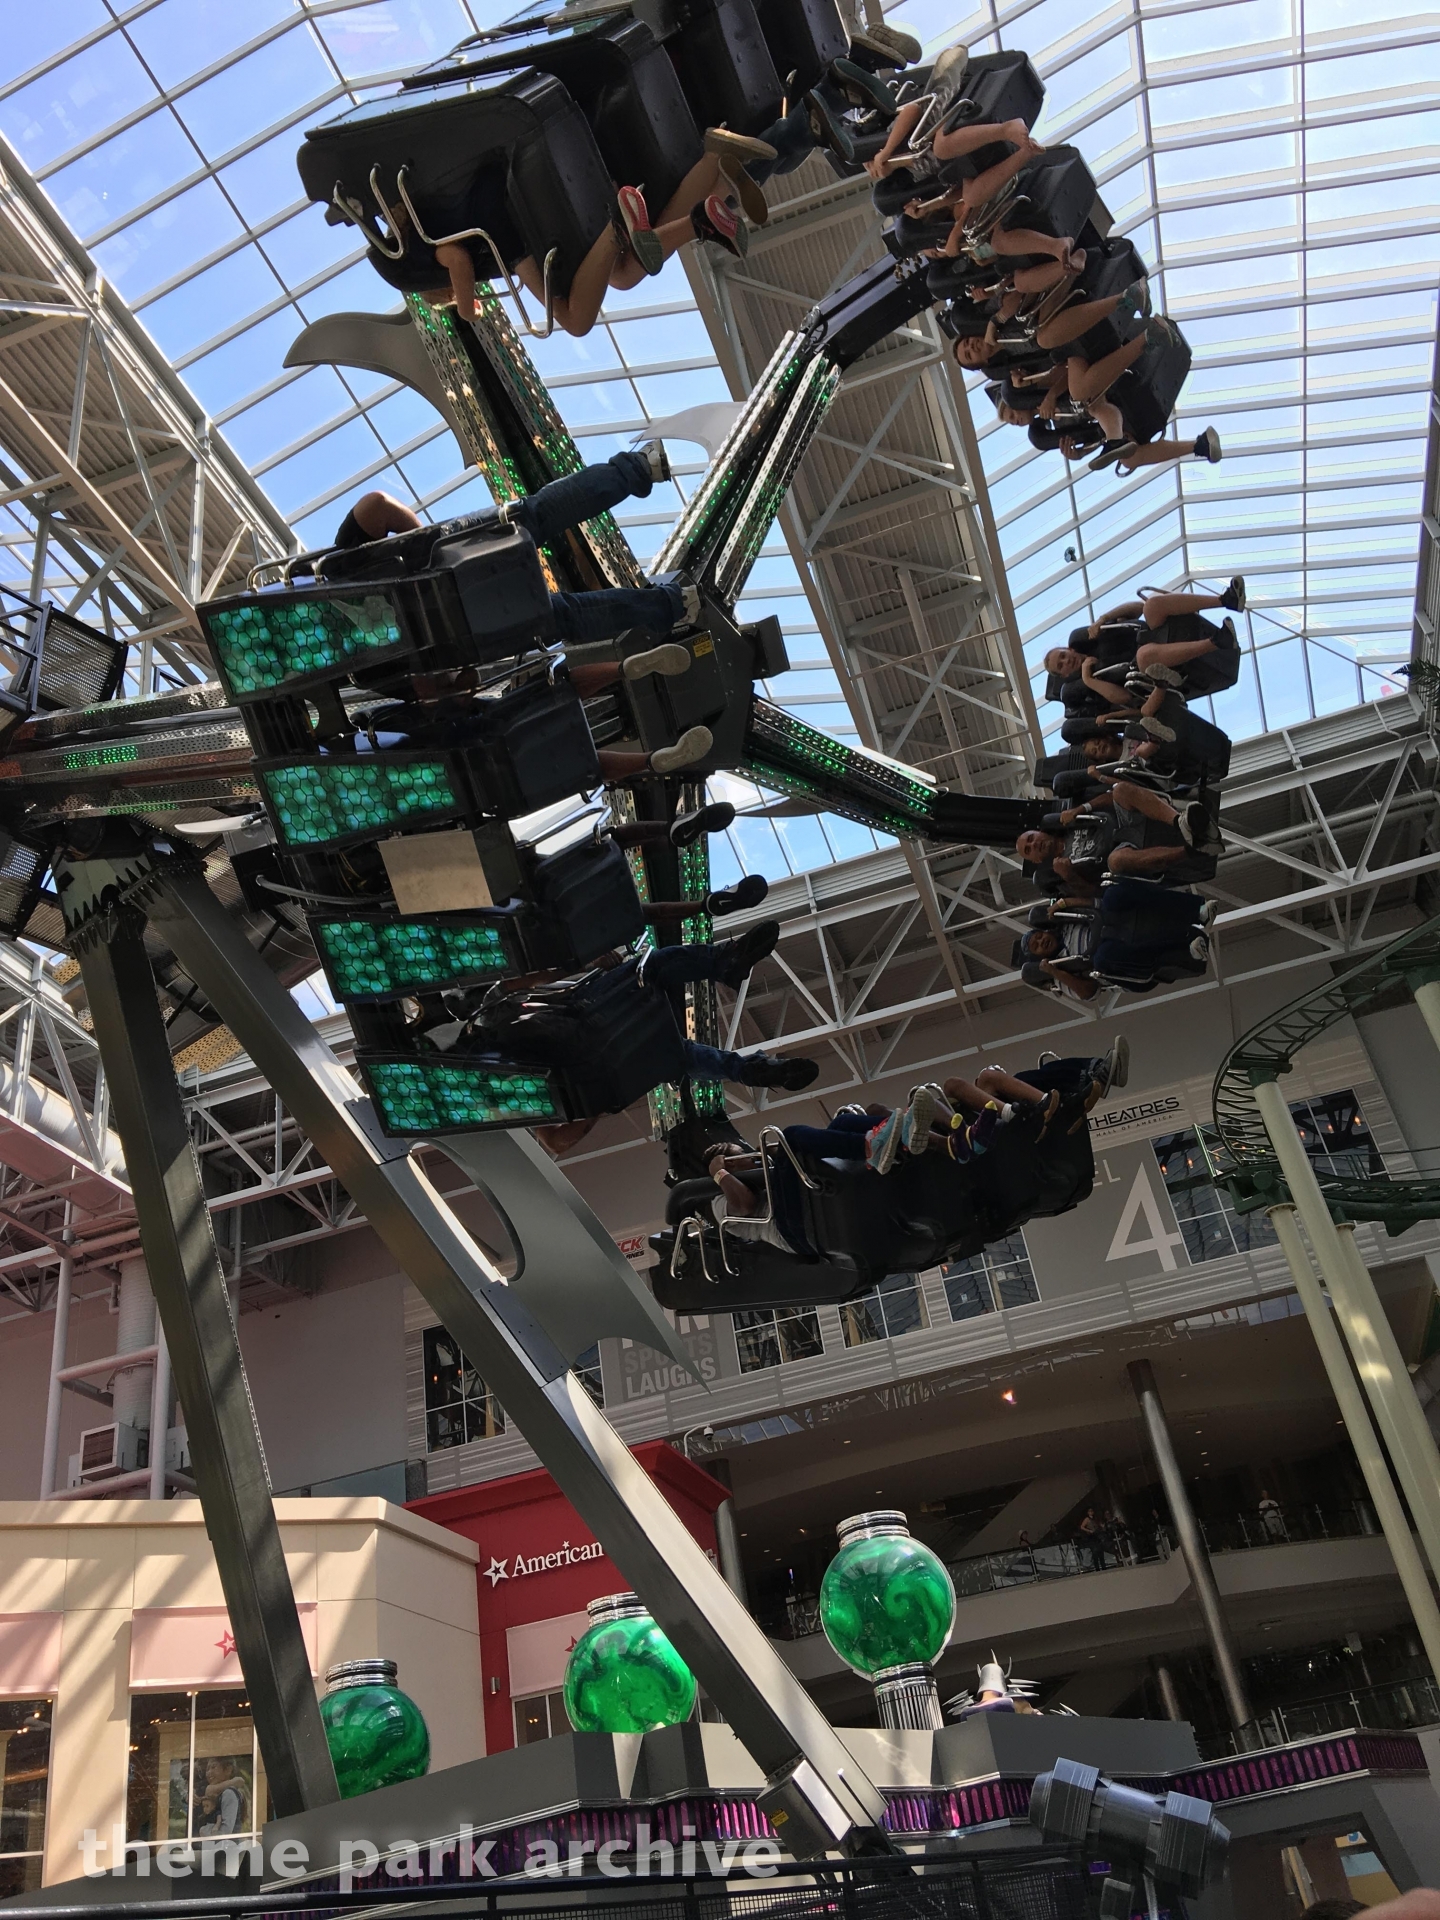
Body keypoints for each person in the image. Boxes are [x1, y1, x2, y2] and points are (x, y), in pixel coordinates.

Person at [1016, 779, 1221, 895]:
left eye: (1031, 838)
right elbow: (1095, 893)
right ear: (1036, 860)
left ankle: (1180, 822)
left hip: (1124, 822)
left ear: (1040, 831)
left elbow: (1110, 797)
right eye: (1028, 849)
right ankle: (1194, 849)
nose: (1034, 844)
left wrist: (1081, 808)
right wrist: (1069, 875)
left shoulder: (1068, 821)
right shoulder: (1061, 873)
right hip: (1119, 850)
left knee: (1121, 790)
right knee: (1116, 861)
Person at [1020, 887, 1216, 999]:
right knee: (1104, 957)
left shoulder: (1065, 921)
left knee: (1113, 895)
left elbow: (1094, 904)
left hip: (1115, 925)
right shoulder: (1061, 972)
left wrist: (1066, 903)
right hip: (1120, 966)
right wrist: (1055, 972)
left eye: (1039, 937)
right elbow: (1089, 992)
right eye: (1036, 947)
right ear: (1039, 957)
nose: (1042, 942)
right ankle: (1185, 952)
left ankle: (1197, 911)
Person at [195, 1757, 250, 1836]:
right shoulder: (218, 1794)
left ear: (228, 1770)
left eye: (213, 1767)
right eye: (207, 1769)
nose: (209, 1772)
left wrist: (204, 1830)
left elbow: (225, 1831)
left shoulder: (229, 1794)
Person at [1078, 1507, 1106, 1571]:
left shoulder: (1095, 1519)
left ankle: (1103, 1566)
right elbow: (1082, 1527)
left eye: (1092, 1511)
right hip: (1092, 1536)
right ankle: (1097, 1567)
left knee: (1100, 1551)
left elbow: (1099, 1524)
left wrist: (1102, 1526)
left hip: (1097, 1535)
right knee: (1095, 1552)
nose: (1091, 1512)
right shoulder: (1087, 1519)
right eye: (1090, 1511)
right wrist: (1088, 1531)